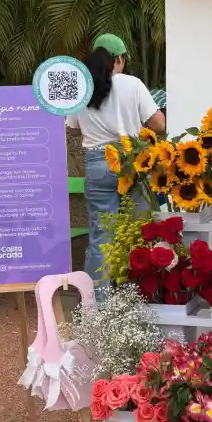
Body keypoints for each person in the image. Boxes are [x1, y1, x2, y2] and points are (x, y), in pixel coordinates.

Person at [66, 34, 166, 289]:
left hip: (97, 163)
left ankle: (96, 302)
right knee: (141, 231)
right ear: (119, 59)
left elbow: (72, 129)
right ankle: (143, 294)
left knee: (101, 237)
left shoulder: (83, 88)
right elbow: (159, 124)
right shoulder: (133, 84)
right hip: (132, 163)